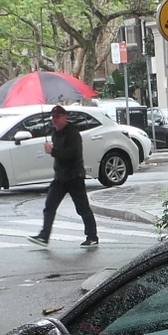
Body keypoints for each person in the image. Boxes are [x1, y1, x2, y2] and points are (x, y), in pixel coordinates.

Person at [30, 104, 99, 247]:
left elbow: (73, 153)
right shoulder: (55, 133)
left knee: (82, 208)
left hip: (74, 176)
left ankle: (92, 236)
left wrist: (53, 151)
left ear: (65, 117)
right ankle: (44, 235)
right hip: (60, 178)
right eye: (53, 117)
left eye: (58, 117)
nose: (55, 120)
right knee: (49, 206)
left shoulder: (73, 133)